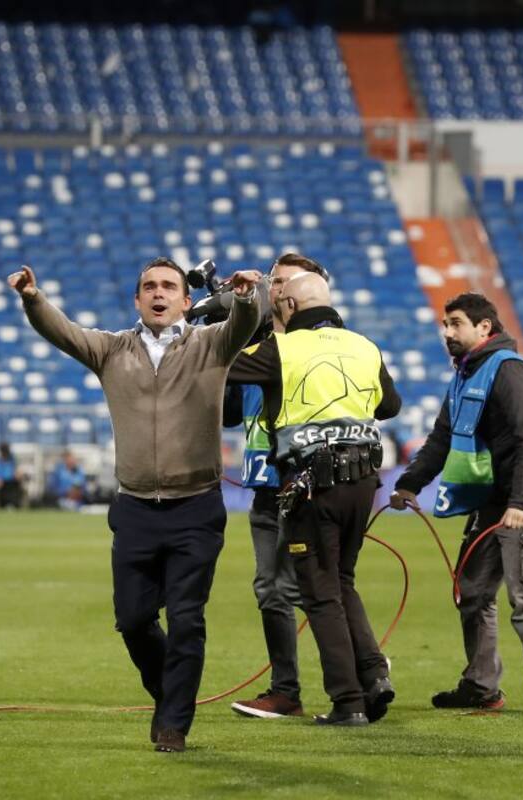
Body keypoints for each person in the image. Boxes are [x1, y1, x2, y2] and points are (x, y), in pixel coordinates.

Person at [8, 256, 263, 753]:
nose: (159, 293)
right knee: (132, 619)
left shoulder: (212, 344)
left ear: (186, 301)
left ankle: (173, 723)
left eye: (169, 285)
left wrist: (250, 295)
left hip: (196, 509)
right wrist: (33, 299)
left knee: (188, 619)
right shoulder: (111, 350)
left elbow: (246, 320)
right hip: (135, 509)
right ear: (138, 299)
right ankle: (169, 693)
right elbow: (62, 332)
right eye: (149, 286)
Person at [227, 259, 401, 727]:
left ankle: (347, 702)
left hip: (311, 482)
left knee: (320, 592)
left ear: (287, 303)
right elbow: (390, 405)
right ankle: (372, 676)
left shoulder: (282, 349)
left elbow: (222, 368)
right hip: (364, 481)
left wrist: (232, 317)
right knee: (342, 580)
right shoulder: (365, 345)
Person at [390, 292, 523, 715]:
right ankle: (481, 686)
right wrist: (409, 484)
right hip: (491, 502)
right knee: (470, 591)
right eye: (445, 324)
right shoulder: (466, 374)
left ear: (484, 328)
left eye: (455, 323)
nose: (446, 332)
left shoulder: (508, 371)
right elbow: (441, 439)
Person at [226, 254, 330, 721]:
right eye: (274, 280)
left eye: (285, 281)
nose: (277, 289)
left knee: (321, 588)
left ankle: (361, 670)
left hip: (308, 483)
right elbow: (231, 411)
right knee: (274, 589)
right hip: (266, 486)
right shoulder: (260, 344)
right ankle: (288, 690)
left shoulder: (323, 346)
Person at [0, 443, 24, 509]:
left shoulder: (12, 459)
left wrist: (18, 475)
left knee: (15, 486)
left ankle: (14, 505)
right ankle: (3, 505)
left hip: (11, 484)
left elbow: (18, 472)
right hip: (0, 485)